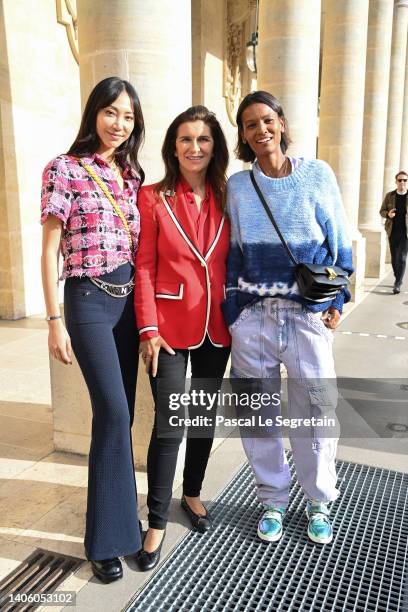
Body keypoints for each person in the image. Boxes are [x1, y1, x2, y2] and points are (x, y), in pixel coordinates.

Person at [223, 91, 353, 545]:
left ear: (281, 121)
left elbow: (339, 241)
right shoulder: (238, 186)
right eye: (250, 124)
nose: (261, 131)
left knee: (317, 410)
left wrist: (338, 298)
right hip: (254, 316)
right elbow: (234, 252)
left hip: (305, 317)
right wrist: (233, 310)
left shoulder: (316, 174)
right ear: (242, 134)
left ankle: (318, 499)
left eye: (267, 120)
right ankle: (273, 500)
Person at [41, 77, 144, 583]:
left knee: (119, 421)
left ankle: (126, 527)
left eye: (127, 116)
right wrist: (54, 319)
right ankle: (103, 541)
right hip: (86, 303)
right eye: (111, 112)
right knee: (113, 409)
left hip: (126, 307)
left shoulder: (132, 174)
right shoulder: (64, 169)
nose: (118, 124)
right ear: (93, 113)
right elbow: (48, 249)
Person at [134, 106, 230, 570]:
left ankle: (191, 493)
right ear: (173, 146)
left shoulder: (230, 195)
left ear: (216, 146)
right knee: (169, 426)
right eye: (186, 139)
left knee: (203, 420)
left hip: (218, 327)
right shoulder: (153, 198)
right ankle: (155, 520)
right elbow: (145, 266)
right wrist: (148, 327)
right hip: (168, 330)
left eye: (204, 139)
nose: (195, 147)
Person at [380, 170, 408, 294]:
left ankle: (397, 283)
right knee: (394, 258)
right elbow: (381, 211)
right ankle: (398, 277)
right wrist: (388, 214)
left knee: (402, 258)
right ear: (396, 182)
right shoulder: (390, 195)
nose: (402, 182)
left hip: (405, 233)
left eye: (405, 180)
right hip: (392, 231)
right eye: (400, 180)